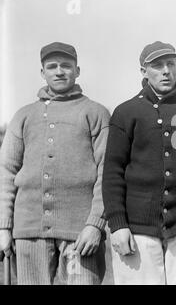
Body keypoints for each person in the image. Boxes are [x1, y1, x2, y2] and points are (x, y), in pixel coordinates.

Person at [102, 41, 176, 285]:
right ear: (143, 71)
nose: (166, 71)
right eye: (157, 65)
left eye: (171, 64)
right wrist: (118, 225)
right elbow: (113, 173)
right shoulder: (126, 113)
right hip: (137, 229)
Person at [0, 42, 110, 285]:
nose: (59, 71)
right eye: (52, 66)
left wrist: (95, 225)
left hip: (80, 234)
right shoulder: (23, 116)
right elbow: (6, 172)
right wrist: (4, 228)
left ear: (77, 70)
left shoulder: (96, 113)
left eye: (66, 66)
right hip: (28, 233)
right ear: (43, 73)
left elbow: (108, 173)